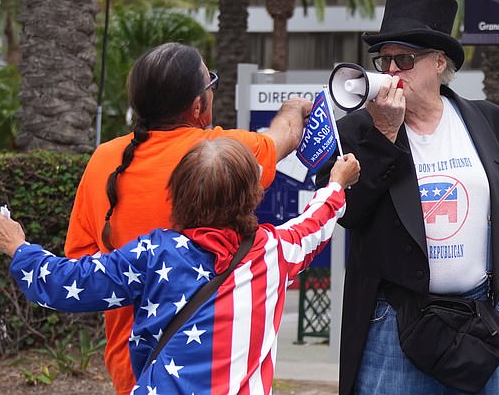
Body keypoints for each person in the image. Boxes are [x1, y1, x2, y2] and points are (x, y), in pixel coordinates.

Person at [316, 0, 499, 395]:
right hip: (393, 321)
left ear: (438, 62)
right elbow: (348, 212)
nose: (391, 71)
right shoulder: (357, 132)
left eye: (405, 59)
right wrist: (385, 134)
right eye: (384, 59)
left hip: (480, 321)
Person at [0, 137, 361, 395]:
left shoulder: (155, 254)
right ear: (251, 197)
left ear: (178, 194)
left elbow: (70, 283)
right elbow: (316, 222)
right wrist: (337, 183)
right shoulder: (275, 253)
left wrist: (19, 247)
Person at [63, 42, 313, 394]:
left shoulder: (105, 161)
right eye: (210, 84)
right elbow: (284, 136)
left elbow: (81, 262)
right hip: (217, 365)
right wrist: (293, 107)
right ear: (199, 105)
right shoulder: (225, 153)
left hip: (135, 364)